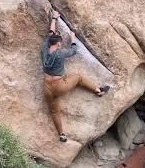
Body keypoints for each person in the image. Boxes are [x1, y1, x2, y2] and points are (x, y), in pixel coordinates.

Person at [41, 10, 110, 142]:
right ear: (59, 44)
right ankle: (98, 90)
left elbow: (50, 34)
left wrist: (54, 18)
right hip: (59, 86)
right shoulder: (60, 53)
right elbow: (73, 51)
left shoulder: (45, 48)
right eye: (60, 44)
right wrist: (73, 38)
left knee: (54, 111)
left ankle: (61, 134)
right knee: (78, 77)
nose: (61, 45)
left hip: (46, 87)